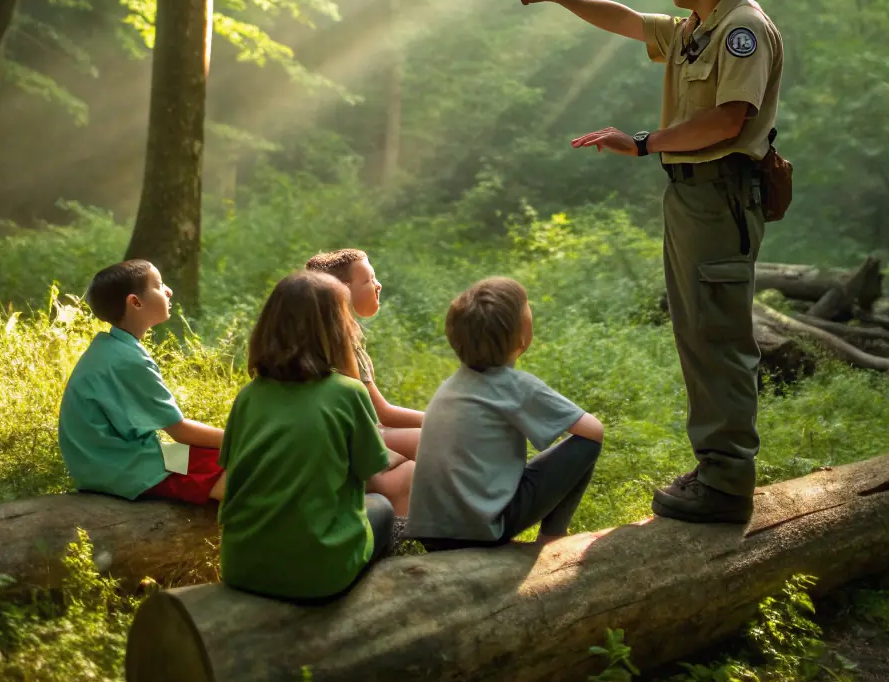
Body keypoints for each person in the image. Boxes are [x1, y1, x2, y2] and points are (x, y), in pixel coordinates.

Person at [515, 0, 783, 524]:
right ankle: (716, 467)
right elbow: (627, 20)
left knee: (718, 338)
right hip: (694, 197)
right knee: (699, 335)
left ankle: (725, 484)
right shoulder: (697, 27)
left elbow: (727, 119)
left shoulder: (741, 29)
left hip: (719, 197)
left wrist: (642, 142)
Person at [218, 270, 400, 602]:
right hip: (317, 574)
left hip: (240, 565)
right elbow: (373, 471)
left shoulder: (248, 396)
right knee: (383, 508)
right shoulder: (348, 393)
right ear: (338, 330)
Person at [405, 276, 603, 550]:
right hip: (483, 529)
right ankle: (552, 539)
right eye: (527, 307)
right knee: (586, 445)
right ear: (521, 336)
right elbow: (594, 430)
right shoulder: (517, 386)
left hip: (431, 533)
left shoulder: (451, 385)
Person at [58, 260, 225, 504]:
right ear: (135, 302)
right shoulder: (128, 359)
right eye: (159, 285)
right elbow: (179, 431)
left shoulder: (111, 346)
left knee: (217, 457)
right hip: (123, 468)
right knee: (238, 471)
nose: (168, 291)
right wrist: (243, 440)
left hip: (113, 460)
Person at [305, 248, 421, 516]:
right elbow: (382, 413)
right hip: (353, 436)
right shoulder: (340, 342)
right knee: (434, 439)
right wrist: (444, 418)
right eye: (369, 280)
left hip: (358, 433)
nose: (378, 284)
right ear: (343, 291)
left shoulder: (342, 334)